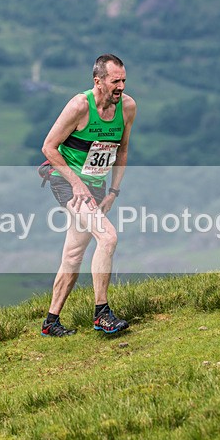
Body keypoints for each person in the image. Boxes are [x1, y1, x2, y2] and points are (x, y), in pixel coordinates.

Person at [40, 54, 137, 337]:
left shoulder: (127, 107)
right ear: (98, 81)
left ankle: (50, 322)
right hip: (66, 182)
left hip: (96, 186)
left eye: (124, 80)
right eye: (115, 81)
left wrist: (113, 191)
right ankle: (102, 314)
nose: (121, 87)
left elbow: (122, 150)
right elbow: (48, 147)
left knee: (73, 254)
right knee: (107, 237)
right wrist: (76, 183)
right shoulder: (79, 106)